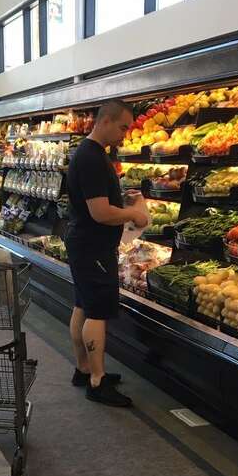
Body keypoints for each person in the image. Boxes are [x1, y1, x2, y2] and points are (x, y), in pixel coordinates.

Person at [65, 99, 148, 408]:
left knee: (82, 306)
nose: (125, 135)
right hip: (94, 246)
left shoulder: (91, 155)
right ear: (106, 121)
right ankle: (97, 382)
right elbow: (99, 212)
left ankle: (84, 368)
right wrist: (132, 215)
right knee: (97, 312)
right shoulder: (91, 158)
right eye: (123, 127)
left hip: (84, 244)